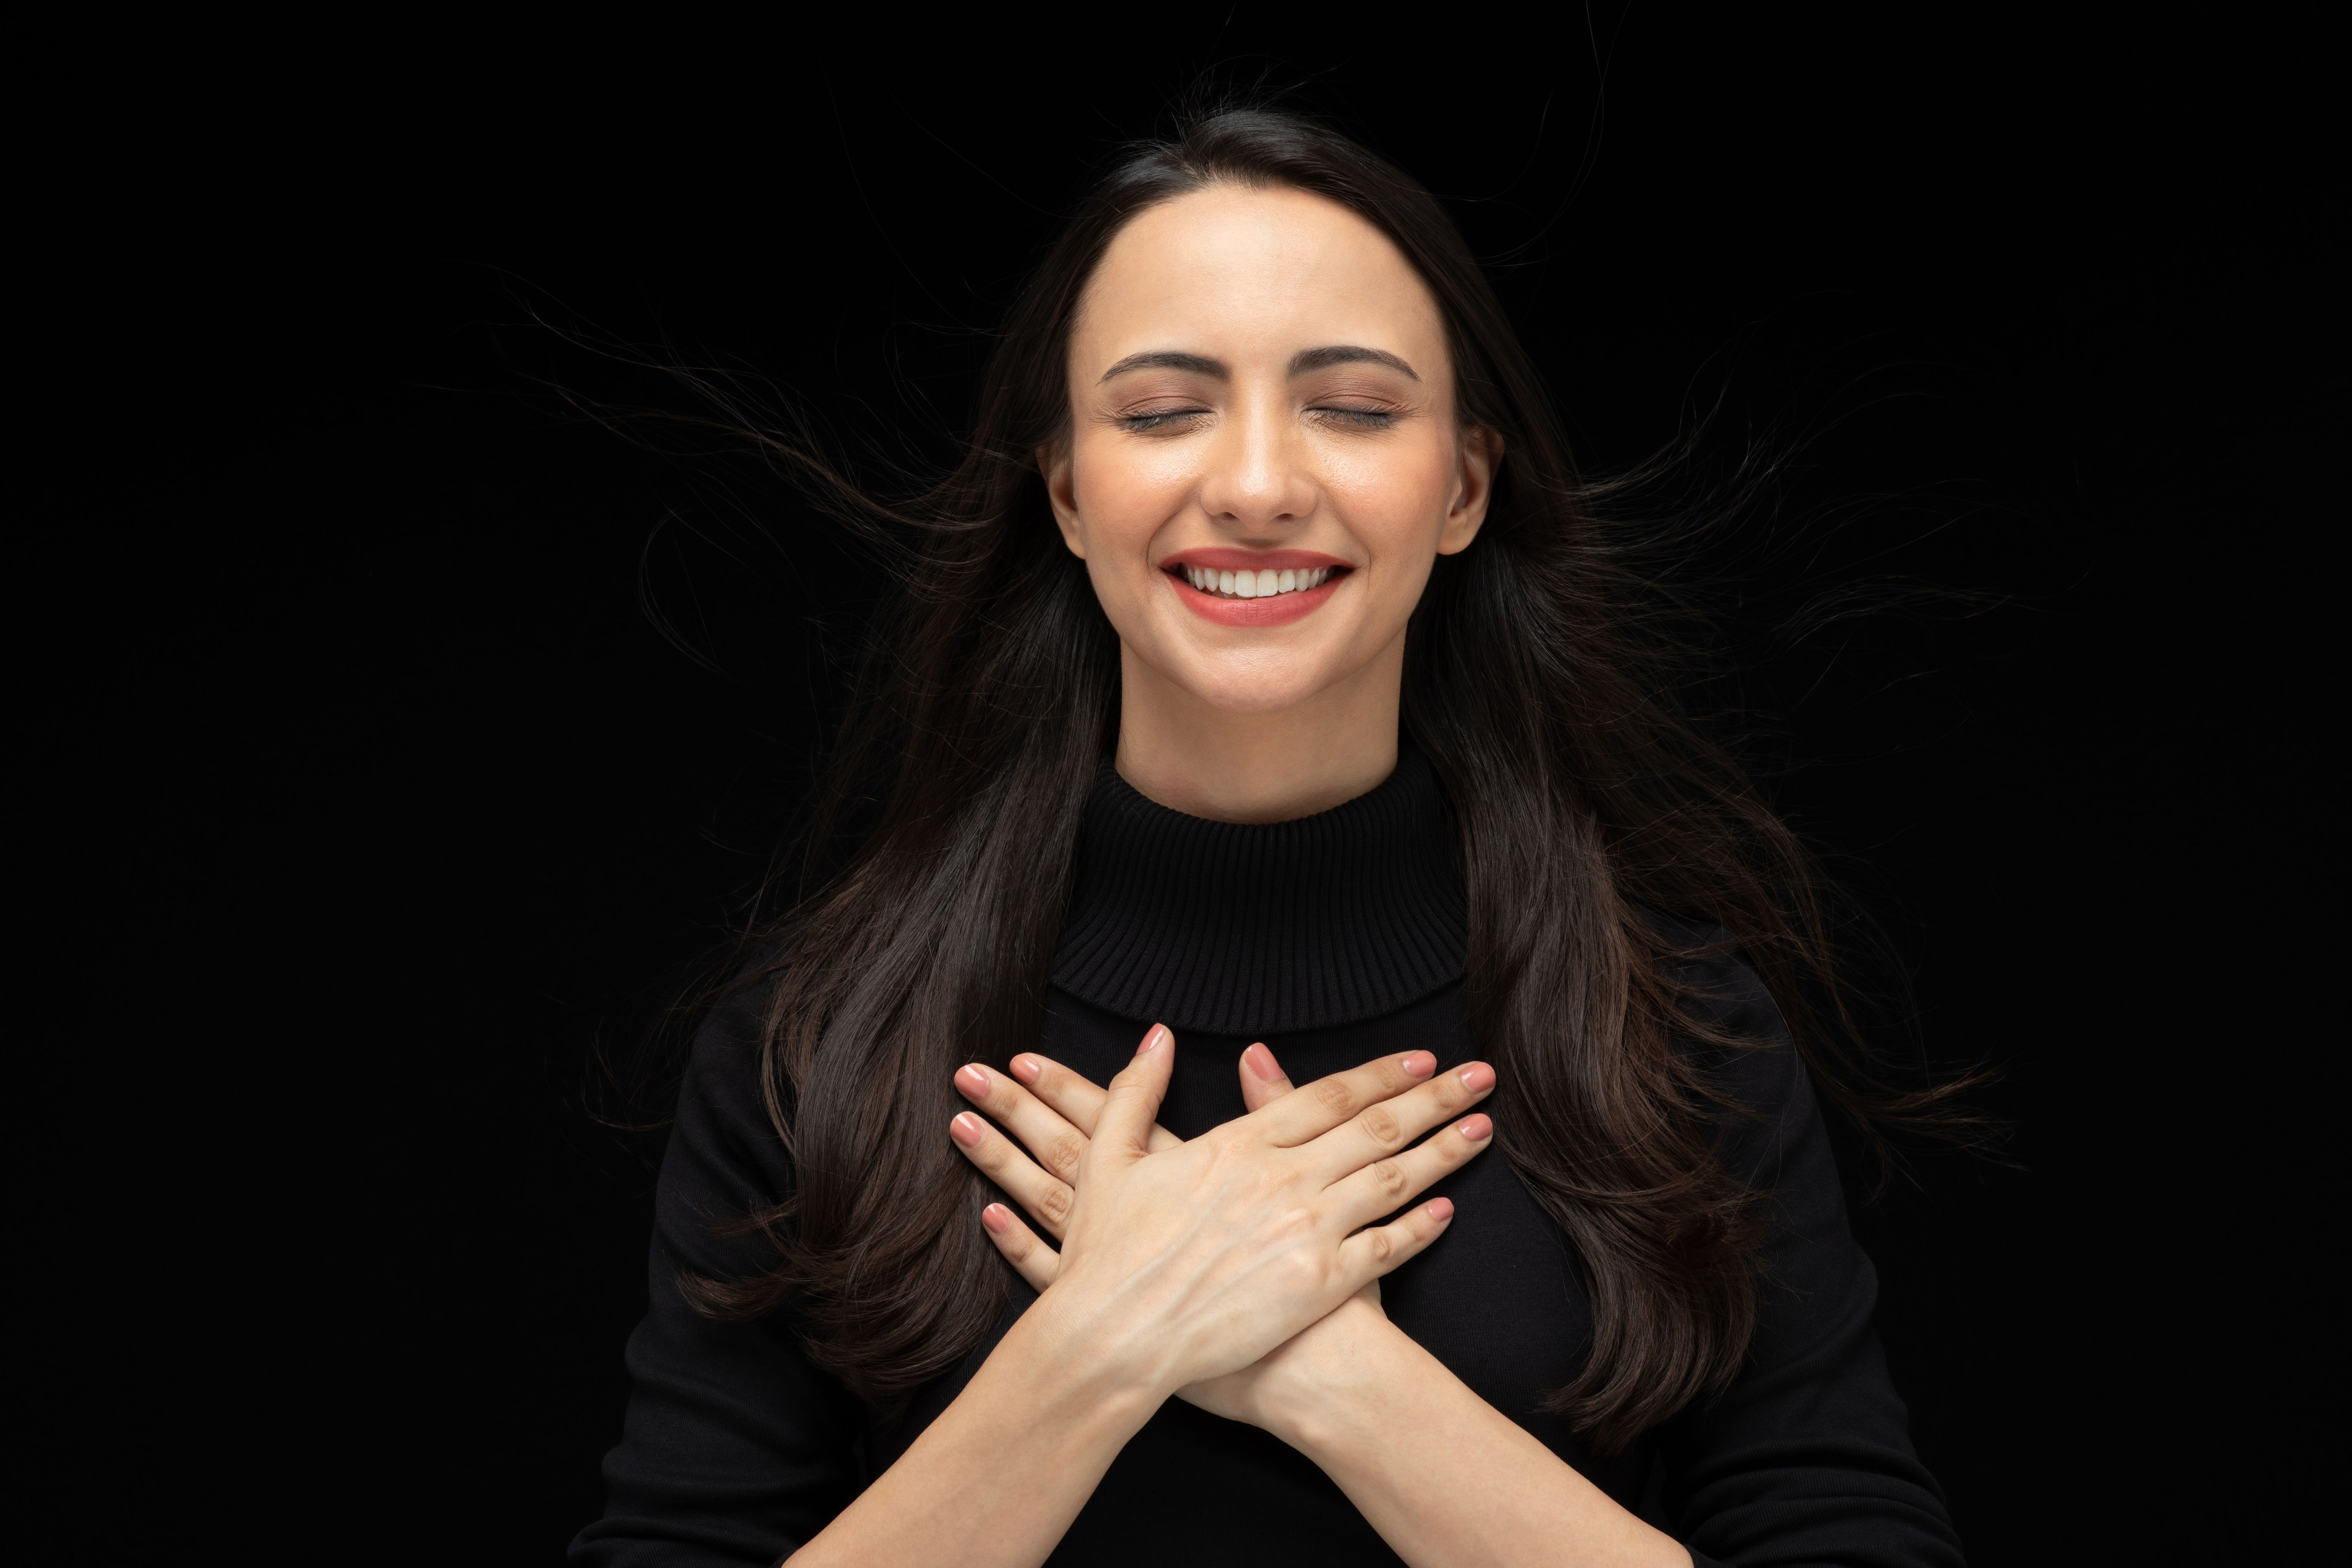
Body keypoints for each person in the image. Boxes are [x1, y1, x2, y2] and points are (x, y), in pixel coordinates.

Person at [572, 106, 1967, 1567]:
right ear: (1063, 489)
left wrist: (1335, 1380)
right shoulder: (818, 1047)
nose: (1253, 485)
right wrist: (1102, 1347)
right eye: (1164, 407)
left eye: (1353, 407)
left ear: (1466, 487)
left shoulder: (1679, 1031)